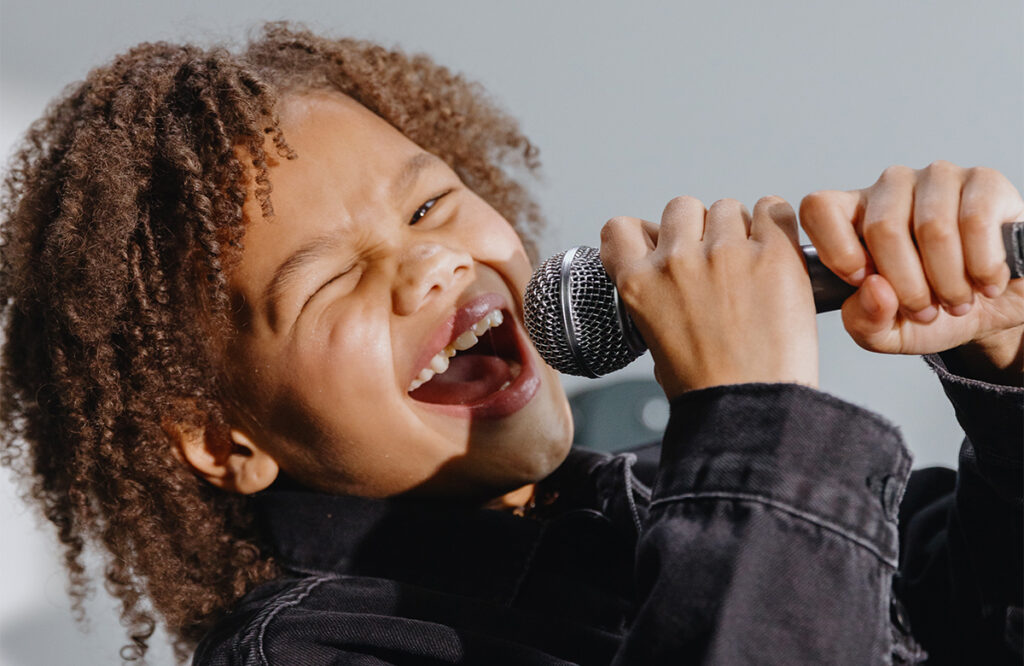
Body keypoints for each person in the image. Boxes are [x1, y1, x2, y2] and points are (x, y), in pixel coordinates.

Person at [0, 22, 1020, 665]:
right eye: (329, 279)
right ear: (227, 443)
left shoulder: (665, 499)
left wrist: (1006, 365)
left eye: (432, 203)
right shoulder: (310, 650)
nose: (428, 264)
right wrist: (756, 428)